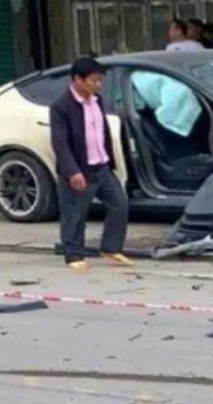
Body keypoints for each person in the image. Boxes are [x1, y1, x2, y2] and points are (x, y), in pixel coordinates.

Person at [49, 58, 132, 271]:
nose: (98, 85)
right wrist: (72, 171)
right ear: (78, 79)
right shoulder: (61, 107)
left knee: (119, 204)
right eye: (94, 81)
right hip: (79, 168)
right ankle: (73, 254)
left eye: (100, 81)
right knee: (75, 213)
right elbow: (60, 142)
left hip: (101, 165)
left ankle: (111, 248)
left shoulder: (97, 100)